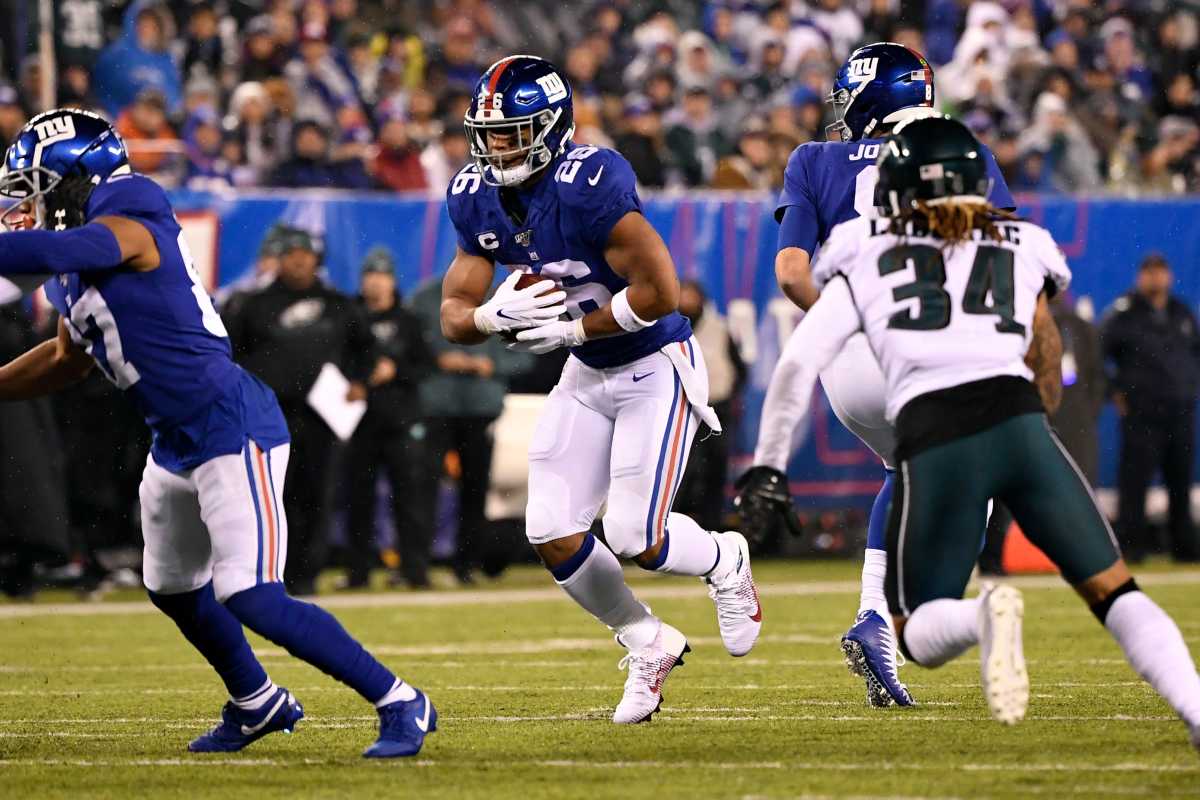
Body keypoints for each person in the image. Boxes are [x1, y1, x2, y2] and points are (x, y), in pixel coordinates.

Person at [754, 115, 1200, 750]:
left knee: (916, 626)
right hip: (1018, 423)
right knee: (1115, 590)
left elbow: (799, 359)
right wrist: (1031, 436)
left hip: (937, 432)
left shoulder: (866, 250)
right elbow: (1046, 353)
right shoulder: (1024, 242)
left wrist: (769, 465)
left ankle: (972, 615)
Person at [0, 109, 434, 757]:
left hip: (230, 423)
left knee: (250, 593)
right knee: (173, 585)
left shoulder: (129, 203)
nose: (23, 205)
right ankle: (257, 701)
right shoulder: (71, 265)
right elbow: (67, 357)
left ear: (72, 179)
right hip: (173, 437)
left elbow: (78, 247)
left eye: (34, 187)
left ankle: (402, 700)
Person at [440, 56, 761, 725]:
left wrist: (575, 330)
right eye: (490, 133)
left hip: (651, 363)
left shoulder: (590, 180)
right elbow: (454, 308)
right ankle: (647, 641)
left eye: (512, 132)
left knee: (635, 535)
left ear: (552, 127)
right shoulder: (475, 194)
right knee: (550, 528)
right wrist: (486, 319)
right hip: (587, 376)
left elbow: (663, 292)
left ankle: (725, 555)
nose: (497, 146)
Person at [734, 42, 1014, 707]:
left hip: (847, 367)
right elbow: (1001, 256)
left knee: (906, 470)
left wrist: (853, 320)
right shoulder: (957, 148)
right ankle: (909, 616)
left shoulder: (813, 160)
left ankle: (876, 617)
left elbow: (791, 272)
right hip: (926, 348)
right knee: (978, 481)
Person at [221, 228, 378, 596]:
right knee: (269, 496)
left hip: (321, 417)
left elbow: (366, 349)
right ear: (278, 257)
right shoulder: (252, 304)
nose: (298, 259)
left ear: (316, 259)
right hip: (267, 416)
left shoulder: (338, 303)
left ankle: (306, 573)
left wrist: (360, 382)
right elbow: (229, 356)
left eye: (305, 253)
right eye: (291, 253)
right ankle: (268, 571)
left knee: (316, 493)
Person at [409, 273, 531, 584]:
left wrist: (493, 366)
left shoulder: (505, 297)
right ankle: (415, 567)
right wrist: (436, 361)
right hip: (435, 407)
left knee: (475, 490)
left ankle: (466, 566)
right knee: (423, 486)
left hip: (480, 409)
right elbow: (406, 349)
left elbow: (529, 354)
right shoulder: (425, 299)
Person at [344, 247, 434, 589]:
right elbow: (337, 361)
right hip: (360, 423)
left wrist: (396, 370)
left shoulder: (408, 321)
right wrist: (361, 379)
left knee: (410, 499)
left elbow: (425, 366)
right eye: (370, 276)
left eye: (381, 277)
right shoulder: (350, 318)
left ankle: (414, 570)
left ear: (392, 281)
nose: (376, 283)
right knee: (359, 500)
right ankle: (358, 572)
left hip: (401, 422)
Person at [1101, 253, 1200, 563]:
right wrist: (1114, 392)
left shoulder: (1181, 312)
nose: (1156, 278)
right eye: (1150, 272)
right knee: (1135, 483)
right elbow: (1097, 355)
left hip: (1179, 411)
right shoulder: (1124, 313)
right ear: (1140, 276)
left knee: (1180, 482)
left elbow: (1196, 353)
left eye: (1161, 272)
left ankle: (1185, 548)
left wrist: (1190, 387)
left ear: (1169, 276)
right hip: (1141, 413)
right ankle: (1131, 548)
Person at [673, 279, 746, 531]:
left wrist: (729, 396)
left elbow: (739, 368)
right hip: (683, 412)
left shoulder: (719, 328)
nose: (687, 301)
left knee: (715, 471)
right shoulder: (668, 328)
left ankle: (713, 530)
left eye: (691, 295)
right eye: (682, 295)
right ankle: (670, 528)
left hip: (717, 410)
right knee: (682, 471)